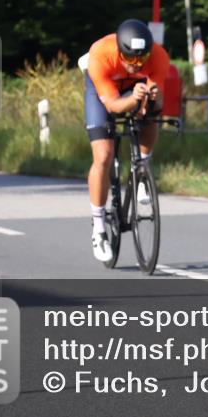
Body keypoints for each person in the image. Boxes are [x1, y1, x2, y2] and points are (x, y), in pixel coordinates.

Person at [83, 19, 170, 261]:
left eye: (141, 59)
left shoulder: (159, 57)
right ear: (120, 52)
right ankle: (99, 229)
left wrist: (153, 98)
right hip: (104, 91)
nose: (136, 64)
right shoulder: (100, 54)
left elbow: (159, 103)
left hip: (135, 89)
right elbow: (112, 105)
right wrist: (133, 100)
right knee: (103, 156)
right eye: (130, 59)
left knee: (152, 114)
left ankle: (141, 168)